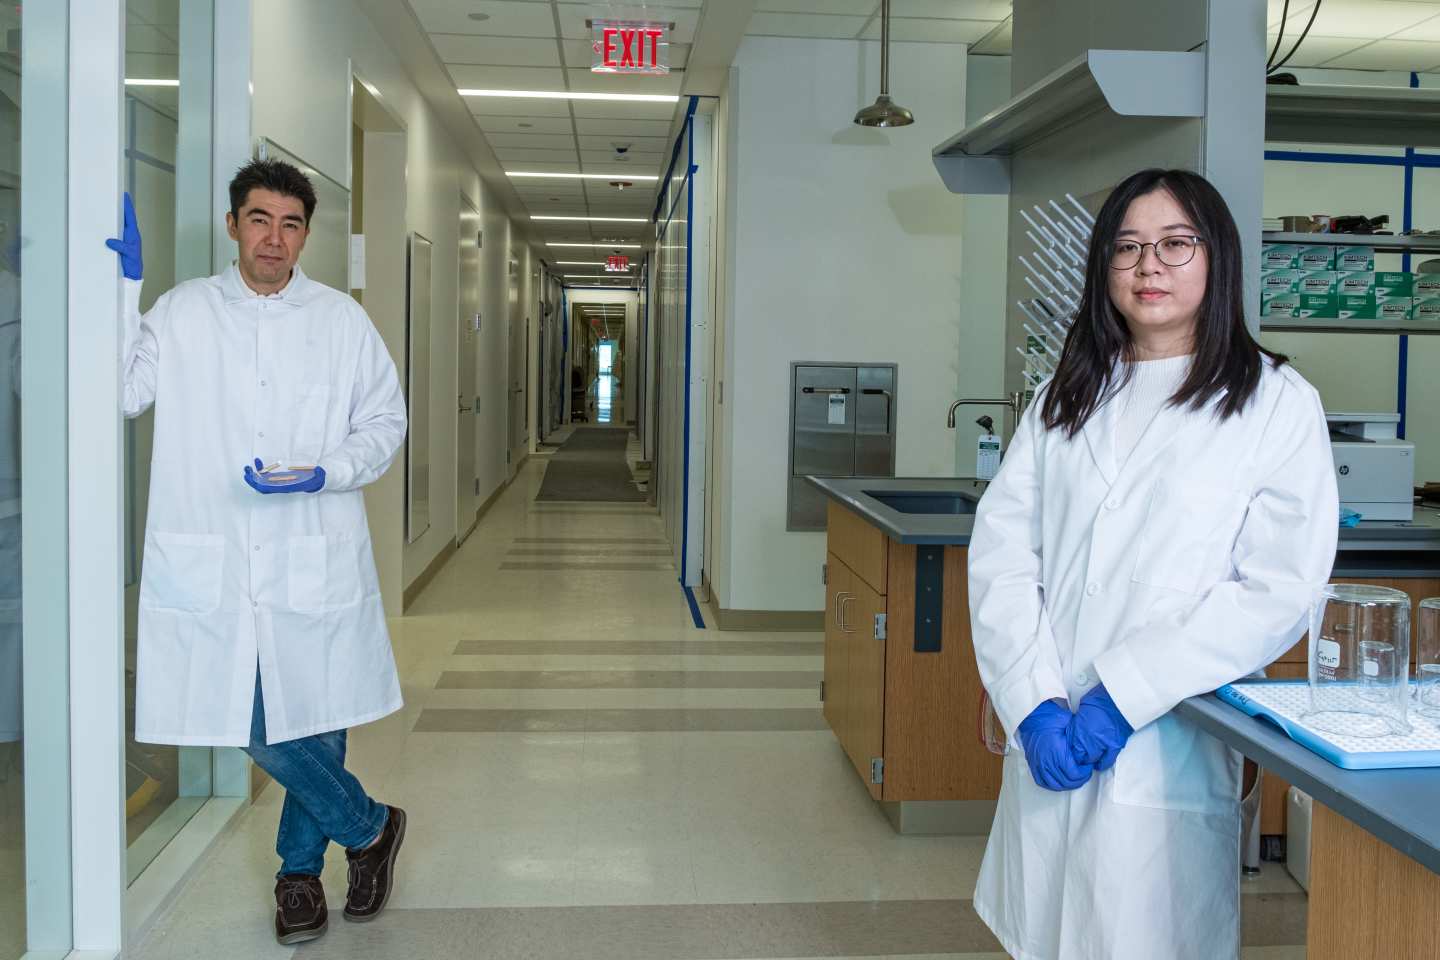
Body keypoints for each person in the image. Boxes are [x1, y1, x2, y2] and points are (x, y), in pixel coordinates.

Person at [967, 168, 1338, 960]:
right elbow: (1001, 553)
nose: (1149, 267)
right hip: (1051, 718)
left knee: (1147, 936)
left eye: (1176, 244)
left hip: (1166, 741)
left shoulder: (1274, 402)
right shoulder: (1062, 395)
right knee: (1043, 935)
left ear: (1218, 258)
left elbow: (1276, 589)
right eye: (1128, 248)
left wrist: (1123, 694)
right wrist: (1028, 699)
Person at [106, 159, 409, 946]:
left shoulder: (340, 320)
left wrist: (326, 471)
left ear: (306, 233)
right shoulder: (183, 312)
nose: (274, 238)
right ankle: (370, 827)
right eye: (259, 219)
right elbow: (119, 390)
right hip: (212, 554)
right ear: (235, 224)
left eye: (291, 223)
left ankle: (299, 879)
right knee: (255, 720)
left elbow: (383, 424)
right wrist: (116, 294)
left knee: (323, 710)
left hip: (313, 547)